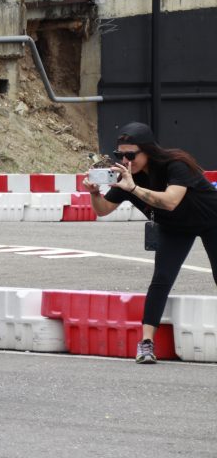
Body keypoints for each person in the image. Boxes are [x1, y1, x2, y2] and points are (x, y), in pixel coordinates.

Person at [83, 122, 217, 365]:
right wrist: (94, 193)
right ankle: (146, 343)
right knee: (161, 278)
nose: (125, 160)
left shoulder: (175, 164)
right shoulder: (126, 177)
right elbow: (103, 210)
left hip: (211, 219)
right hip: (175, 227)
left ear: (148, 151)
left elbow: (171, 201)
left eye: (131, 155)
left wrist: (133, 188)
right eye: (120, 155)